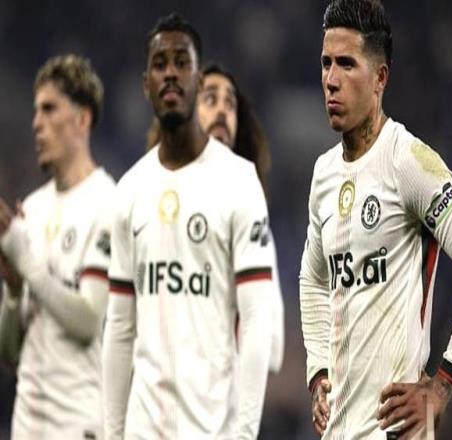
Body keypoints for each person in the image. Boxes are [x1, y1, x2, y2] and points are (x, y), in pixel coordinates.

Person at [299, 1, 452, 439]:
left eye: (346, 64)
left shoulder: (407, 161)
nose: (331, 79)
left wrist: (442, 386)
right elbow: (312, 277)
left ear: (380, 78)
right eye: (326, 63)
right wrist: (318, 371)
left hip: (394, 431)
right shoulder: (324, 173)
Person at [103, 14, 273, 440]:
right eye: (160, 64)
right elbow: (119, 329)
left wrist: (244, 434)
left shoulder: (239, 181)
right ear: (146, 84)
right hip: (142, 429)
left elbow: (257, 321)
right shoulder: (129, 191)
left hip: (212, 429)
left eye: (182, 62)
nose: (171, 73)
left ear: (197, 81)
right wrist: (112, 433)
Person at [0, 54, 115, 439]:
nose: (36, 123)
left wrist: (26, 261)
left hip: (77, 426)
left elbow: (87, 320)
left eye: (49, 109)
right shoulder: (31, 210)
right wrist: (14, 289)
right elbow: (9, 352)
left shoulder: (107, 203)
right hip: (26, 427)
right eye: (36, 111)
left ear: (82, 119)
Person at [146, 62, 285, 374]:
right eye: (209, 99)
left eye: (230, 103)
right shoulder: (147, 203)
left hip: (220, 398)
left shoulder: (250, 218)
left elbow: (273, 347)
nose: (222, 109)